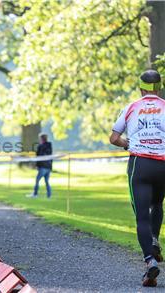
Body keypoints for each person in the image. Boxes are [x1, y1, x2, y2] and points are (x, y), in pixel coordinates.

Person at [110, 69, 165, 287]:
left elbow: (114, 137)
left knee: (142, 215)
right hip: (163, 164)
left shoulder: (131, 107)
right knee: (157, 204)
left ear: (140, 87)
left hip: (140, 165)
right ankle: (154, 240)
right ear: (159, 87)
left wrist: (128, 144)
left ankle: (149, 260)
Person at [28, 133, 53, 198]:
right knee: (47, 181)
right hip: (48, 167)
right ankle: (49, 195)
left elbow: (39, 157)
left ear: (41, 139)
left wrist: (37, 166)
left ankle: (35, 194)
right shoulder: (49, 145)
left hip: (43, 167)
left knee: (37, 180)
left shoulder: (41, 146)